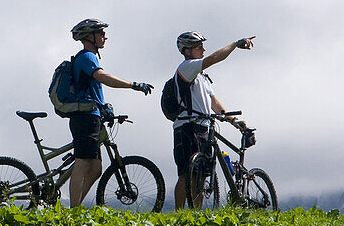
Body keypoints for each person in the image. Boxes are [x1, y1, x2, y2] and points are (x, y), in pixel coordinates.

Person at [67, 18, 153, 207]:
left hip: (92, 115)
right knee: (82, 162)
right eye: (101, 33)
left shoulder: (90, 57)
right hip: (84, 117)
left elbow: (92, 89)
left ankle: (75, 208)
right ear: (90, 37)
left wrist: (104, 107)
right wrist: (133, 85)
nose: (105, 37)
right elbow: (102, 77)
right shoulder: (87, 57)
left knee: (96, 168)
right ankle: (72, 212)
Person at [172, 31, 255, 210]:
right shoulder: (187, 67)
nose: (203, 49)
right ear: (187, 51)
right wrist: (234, 44)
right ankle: (179, 214)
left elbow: (213, 102)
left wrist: (232, 120)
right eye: (198, 47)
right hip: (186, 126)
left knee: (201, 176)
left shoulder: (202, 77)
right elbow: (213, 59)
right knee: (186, 174)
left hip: (203, 127)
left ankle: (196, 214)